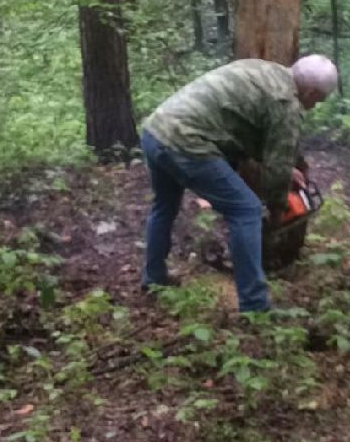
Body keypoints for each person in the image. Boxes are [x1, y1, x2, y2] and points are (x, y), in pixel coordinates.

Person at [140, 54, 339, 313]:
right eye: (318, 100)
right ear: (311, 92)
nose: (314, 106)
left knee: (164, 207)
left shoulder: (266, 70)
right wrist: (278, 210)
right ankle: (255, 305)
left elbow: (246, 125)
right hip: (187, 143)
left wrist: (285, 168)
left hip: (156, 131)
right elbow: (275, 170)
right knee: (247, 210)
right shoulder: (287, 104)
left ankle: (154, 278)